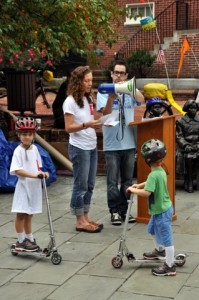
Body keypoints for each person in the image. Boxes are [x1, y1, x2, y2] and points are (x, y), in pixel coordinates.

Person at [96, 60, 144, 226]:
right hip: (111, 145)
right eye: (116, 72)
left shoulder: (129, 90)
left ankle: (125, 210)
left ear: (126, 75)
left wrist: (129, 89)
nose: (118, 75)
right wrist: (111, 98)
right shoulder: (104, 92)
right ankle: (114, 211)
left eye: (122, 73)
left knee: (127, 181)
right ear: (111, 73)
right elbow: (105, 113)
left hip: (129, 144)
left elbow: (141, 100)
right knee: (112, 181)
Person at [127, 139, 176, 276]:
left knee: (167, 239)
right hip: (161, 209)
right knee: (151, 230)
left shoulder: (154, 174)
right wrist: (139, 185)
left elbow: (147, 193)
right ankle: (159, 251)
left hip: (162, 211)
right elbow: (150, 182)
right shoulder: (160, 169)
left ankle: (170, 266)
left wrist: (133, 190)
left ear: (147, 160)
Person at [63, 65, 103, 233]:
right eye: (86, 81)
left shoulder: (88, 99)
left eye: (91, 80)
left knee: (90, 184)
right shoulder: (70, 101)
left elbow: (92, 118)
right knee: (80, 185)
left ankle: (85, 216)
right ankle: (79, 220)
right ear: (78, 81)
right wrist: (86, 125)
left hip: (91, 145)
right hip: (79, 147)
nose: (89, 84)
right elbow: (68, 128)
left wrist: (98, 123)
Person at [10, 117, 49, 251]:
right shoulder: (18, 151)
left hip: (34, 187)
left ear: (34, 135)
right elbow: (17, 170)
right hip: (23, 187)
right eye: (24, 134)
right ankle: (21, 241)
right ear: (19, 135)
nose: (27, 137)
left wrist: (43, 173)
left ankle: (30, 238)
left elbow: (38, 166)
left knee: (29, 213)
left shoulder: (35, 149)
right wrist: (34, 175)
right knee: (21, 213)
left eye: (30, 134)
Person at [176, 99, 199, 193]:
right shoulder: (180, 121)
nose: (193, 110)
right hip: (186, 147)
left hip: (197, 145)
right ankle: (189, 181)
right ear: (187, 108)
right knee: (188, 157)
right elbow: (179, 136)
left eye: (195, 108)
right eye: (191, 108)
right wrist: (185, 145)